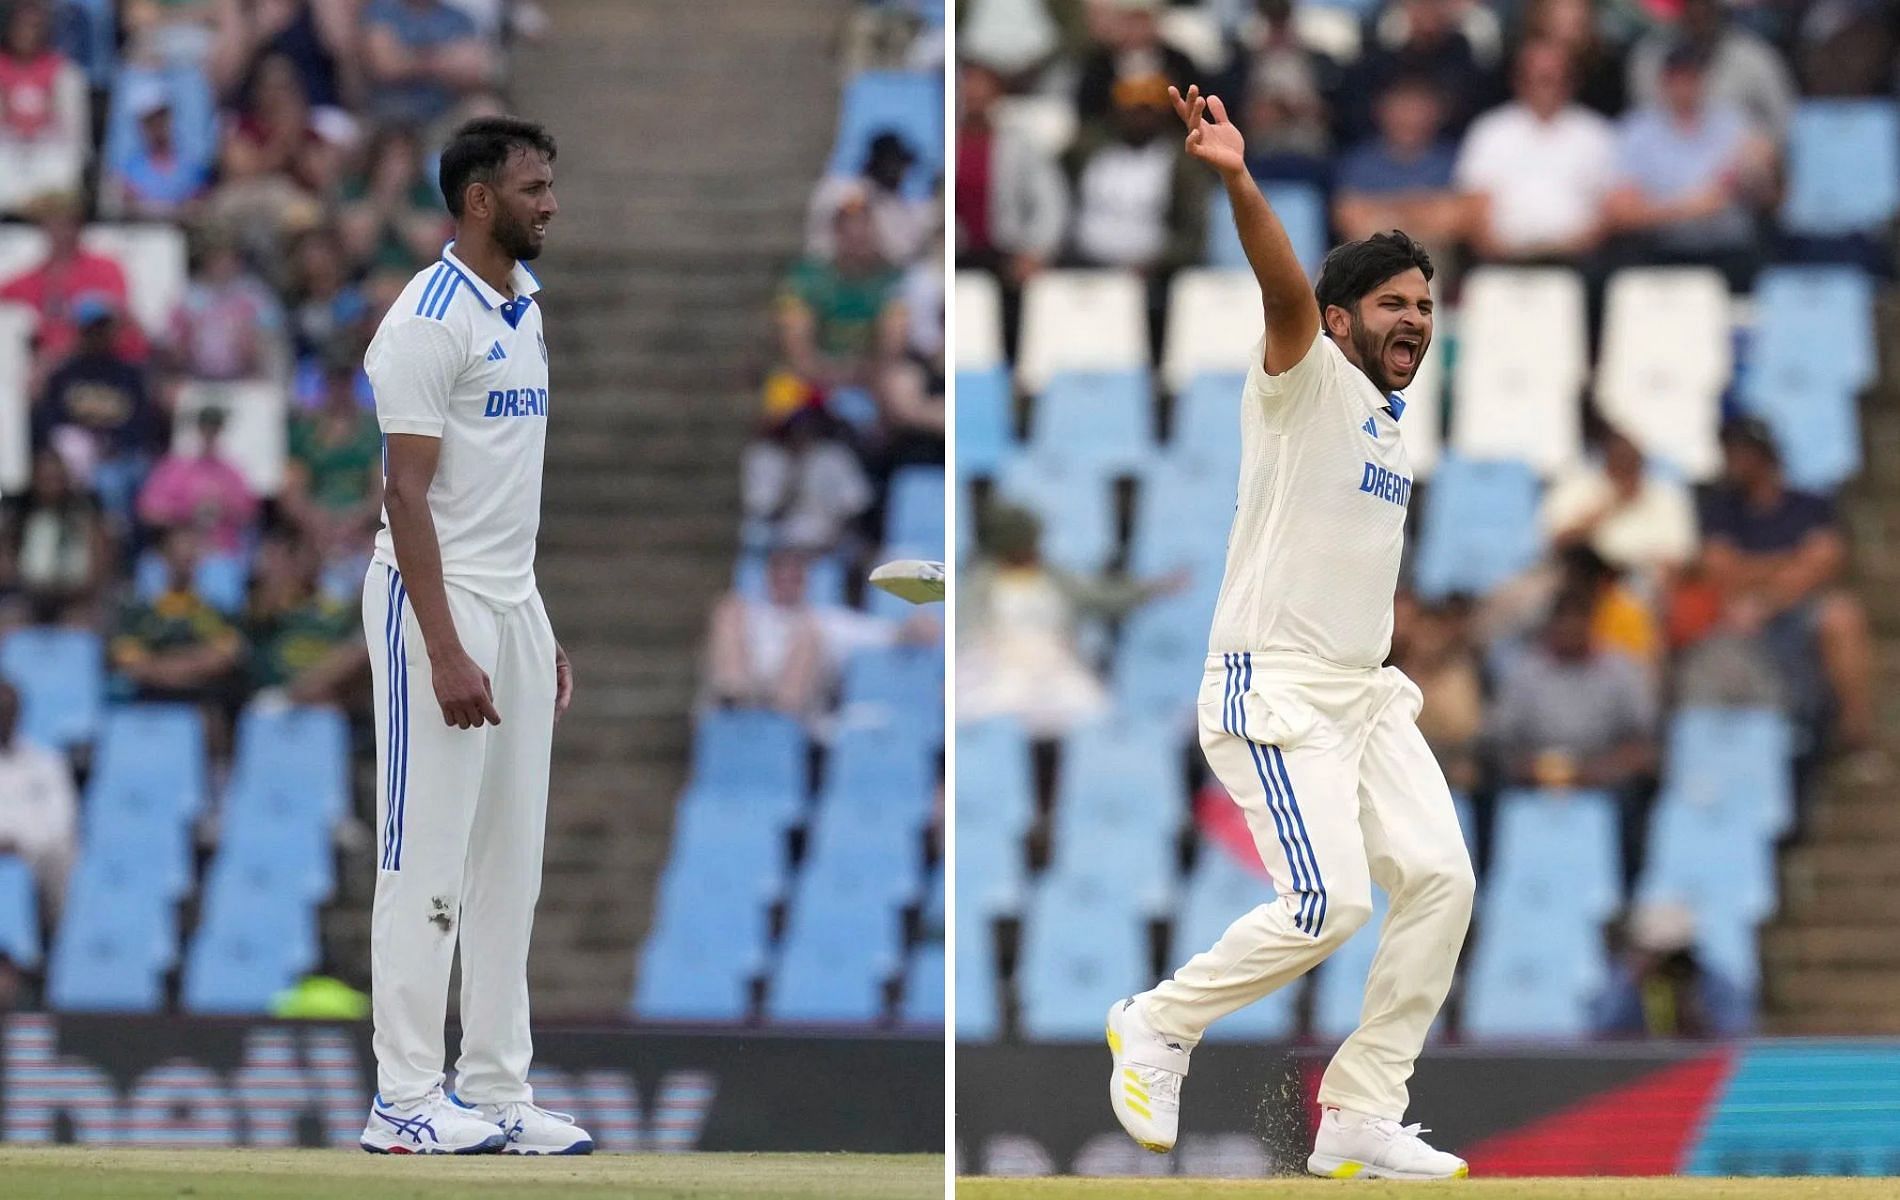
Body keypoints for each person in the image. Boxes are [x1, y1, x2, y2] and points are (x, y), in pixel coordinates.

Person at [1104, 85, 1473, 1182]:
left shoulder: (1391, 430)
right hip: (1274, 688)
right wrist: (1237, 178)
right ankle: (1160, 1024)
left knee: (1442, 882)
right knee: (1327, 902)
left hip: (1363, 696)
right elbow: (1280, 285)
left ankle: (1361, 1110)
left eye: (1425, 306)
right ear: (1344, 313)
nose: (1412, 319)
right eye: (1393, 302)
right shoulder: (1303, 377)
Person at [358, 116, 589, 1156]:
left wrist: (531, 625)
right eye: (533, 187)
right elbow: (405, 496)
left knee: (510, 866)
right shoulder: (425, 319)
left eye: (549, 184)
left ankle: (495, 1088)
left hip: (511, 604)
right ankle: (404, 1100)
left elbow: (502, 494)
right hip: (429, 607)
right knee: (426, 861)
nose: (549, 202)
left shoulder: (524, 308)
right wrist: (448, 645)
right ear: (480, 199)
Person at [1697, 417, 1876, 755]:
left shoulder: (1808, 505)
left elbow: (1825, 560)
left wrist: (1766, 587)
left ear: (1764, 456)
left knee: (1842, 616)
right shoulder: (1721, 509)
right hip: (1740, 613)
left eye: (1740, 451)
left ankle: (1854, 727)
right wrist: (1789, 560)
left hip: (1790, 607)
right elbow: (1719, 569)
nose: (1731, 458)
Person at [1485, 586, 1660, 891]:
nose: (1570, 632)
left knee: (1634, 796)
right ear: (1552, 626)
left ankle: (1624, 894)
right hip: (1535, 771)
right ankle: (1493, 889)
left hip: (1602, 771)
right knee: (1489, 792)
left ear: (1590, 625)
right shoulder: (1525, 670)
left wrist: (1603, 769)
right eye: (1563, 623)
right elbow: (1501, 739)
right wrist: (1529, 768)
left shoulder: (1619, 669)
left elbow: (1642, 737)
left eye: (1578, 624)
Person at [1601, 42, 1775, 287]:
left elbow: (1768, 197)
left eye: (1691, 77)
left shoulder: (1735, 125)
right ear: (1664, 81)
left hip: (1728, 251)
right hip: (1662, 250)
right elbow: (1619, 214)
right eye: (1677, 78)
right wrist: (1686, 209)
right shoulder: (1637, 132)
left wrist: (1758, 174)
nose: (1685, 86)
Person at [1456, 40, 1616, 265]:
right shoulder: (1490, 132)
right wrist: (1500, 251)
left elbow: (1609, 210)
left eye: (1554, 79)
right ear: (1518, 81)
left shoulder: (1595, 133)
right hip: (1505, 259)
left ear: (1571, 82)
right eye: (1538, 79)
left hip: (1578, 259)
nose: (1546, 88)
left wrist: (1576, 244)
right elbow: (1474, 209)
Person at [107, 525, 245, 706]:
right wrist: (194, 661)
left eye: (191, 553)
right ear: (165, 557)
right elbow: (130, 663)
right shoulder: (140, 613)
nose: (185, 560)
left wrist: (160, 662)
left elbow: (223, 659)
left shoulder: (217, 612)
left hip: (202, 703)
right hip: (150, 703)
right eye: (179, 552)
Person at [1332, 75, 1465, 257]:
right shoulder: (1360, 161)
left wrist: (1381, 211)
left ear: (1438, 112)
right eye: (1401, 107)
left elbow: (1455, 223)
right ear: (1381, 110)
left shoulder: (1452, 159)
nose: (1409, 118)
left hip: (1433, 260)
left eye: (1418, 109)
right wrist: (1422, 208)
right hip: (1368, 259)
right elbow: (1350, 221)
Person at [0, 0, 90, 216]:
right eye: (22, 26)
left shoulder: (65, 72)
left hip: (48, 149)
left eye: (34, 27)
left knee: (64, 170)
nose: (27, 34)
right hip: (8, 149)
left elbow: (75, 135)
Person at [0, 680, 78, 918]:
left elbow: (61, 821)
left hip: (31, 856)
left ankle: (58, 939)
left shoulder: (46, 763)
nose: (3, 717)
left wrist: (21, 845)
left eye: (8, 710)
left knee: (64, 853)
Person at [136, 407, 261, 554]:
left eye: (214, 428)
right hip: (179, 553)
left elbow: (250, 515)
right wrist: (187, 511)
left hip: (221, 553)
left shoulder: (233, 473)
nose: (209, 434)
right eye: (205, 428)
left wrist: (224, 507)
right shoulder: (174, 468)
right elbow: (147, 511)